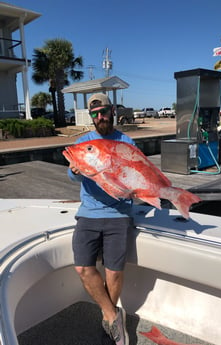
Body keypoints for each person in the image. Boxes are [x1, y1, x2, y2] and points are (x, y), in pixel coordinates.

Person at [67, 93, 135, 345]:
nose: (100, 117)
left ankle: (109, 323)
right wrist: (75, 171)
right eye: (95, 114)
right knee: (83, 268)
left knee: (114, 274)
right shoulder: (84, 142)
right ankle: (112, 315)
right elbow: (72, 176)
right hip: (89, 213)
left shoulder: (126, 142)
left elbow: (134, 176)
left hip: (118, 214)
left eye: (104, 111)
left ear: (113, 110)